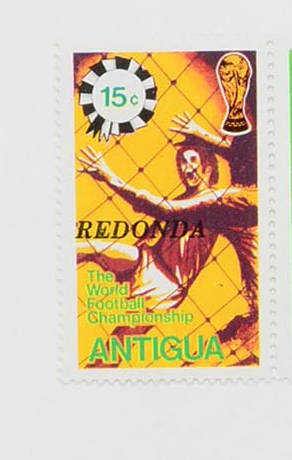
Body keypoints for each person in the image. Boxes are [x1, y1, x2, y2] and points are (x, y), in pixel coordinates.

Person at [76, 114, 258, 360]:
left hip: (166, 284)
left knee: (115, 346)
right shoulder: (186, 198)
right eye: (182, 161)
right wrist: (201, 136)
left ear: (207, 166)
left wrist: (109, 177)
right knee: (87, 247)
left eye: (192, 160)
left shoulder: (217, 201)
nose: (185, 167)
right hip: (146, 259)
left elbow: (160, 208)